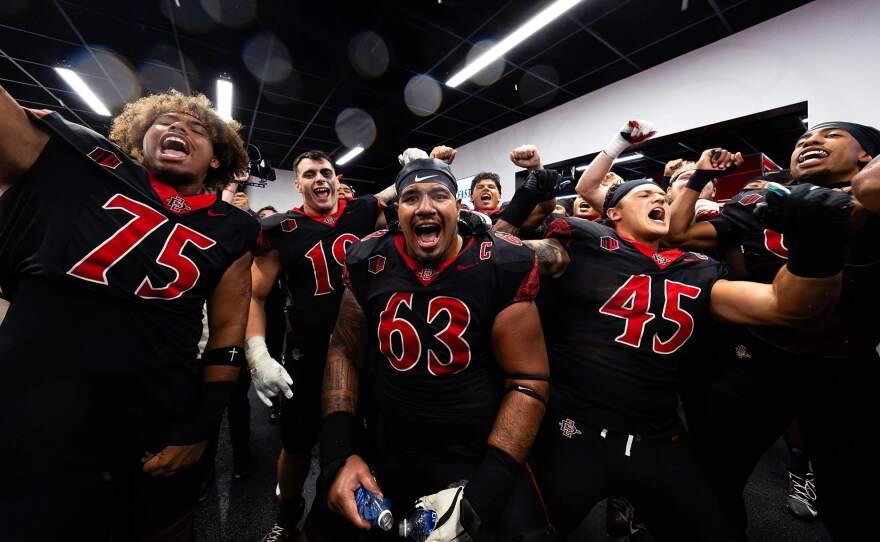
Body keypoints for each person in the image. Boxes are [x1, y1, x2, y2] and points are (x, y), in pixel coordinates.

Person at [502, 160, 850, 541]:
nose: (660, 199)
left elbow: (786, 307)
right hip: (573, 429)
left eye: (663, 196)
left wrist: (818, 247)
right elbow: (496, 259)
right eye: (645, 194)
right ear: (613, 212)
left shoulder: (696, 267)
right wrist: (520, 206)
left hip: (657, 433)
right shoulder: (581, 245)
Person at [0, 87, 258, 540]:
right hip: (34, 411)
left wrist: (200, 429)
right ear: (141, 138)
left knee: (159, 526)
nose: (179, 126)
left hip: (154, 418)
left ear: (216, 159)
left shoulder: (234, 227)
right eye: (166, 122)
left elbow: (226, 333)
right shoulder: (83, 160)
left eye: (197, 128)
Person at [306, 158, 553, 542]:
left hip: (475, 449)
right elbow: (344, 351)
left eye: (439, 195)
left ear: (458, 206)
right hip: (389, 443)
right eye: (411, 197)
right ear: (397, 212)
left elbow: (527, 379)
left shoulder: (500, 261)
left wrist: (487, 489)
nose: (424, 207)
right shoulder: (369, 259)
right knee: (323, 528)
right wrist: (338, 453)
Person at [666, 122, 880, 539]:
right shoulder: (768, 189)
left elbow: (871, 186)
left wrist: (847, 195)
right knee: (714, 477)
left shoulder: (870, 189)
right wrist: (701, 176)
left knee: (857, 501)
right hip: (762, 356)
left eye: (831, 135)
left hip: (845, 366)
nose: (809, 141)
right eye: (802, 139)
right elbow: (680, 233)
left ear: (866, 154)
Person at [245, 149, 397, 541]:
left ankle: (368, 510)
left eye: (325, 172)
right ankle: (286, 517)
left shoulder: (361, 211)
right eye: (310, 174)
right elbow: (254, 296)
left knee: (372, 434)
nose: (319, 179)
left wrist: (419, 165)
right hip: (309, 353)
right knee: (296, 444)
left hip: (366, 350)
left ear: (336, 177)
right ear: (298, 184)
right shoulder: (281, 229)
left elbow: (404, 203)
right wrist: (257, 351)